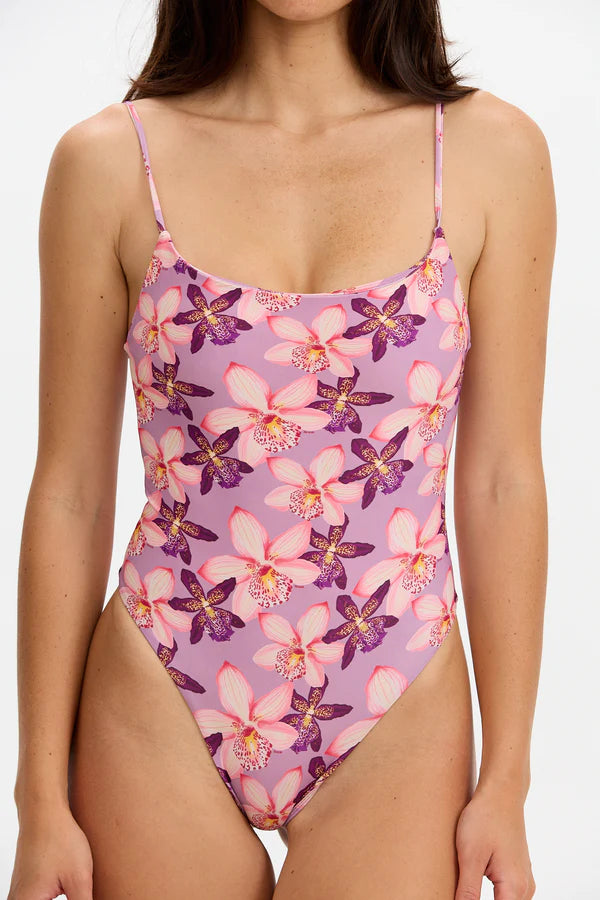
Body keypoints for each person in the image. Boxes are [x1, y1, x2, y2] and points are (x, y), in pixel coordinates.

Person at [8, 2, 555, 898]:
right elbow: (70, 490)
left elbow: (503, 481)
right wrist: (38, 796)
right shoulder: (107, 163)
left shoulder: (490, 154)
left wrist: (509, 779)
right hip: (161, 676)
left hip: (397, 684)